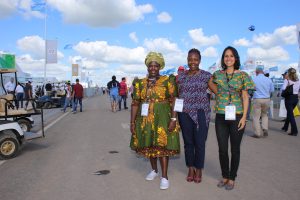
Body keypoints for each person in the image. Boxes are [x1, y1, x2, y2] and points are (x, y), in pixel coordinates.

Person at [130, 52, 180, 190]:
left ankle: (164, 176)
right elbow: (135, 103)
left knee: (162, 146)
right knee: (149, 144)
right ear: (147, 67)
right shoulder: (140, 83)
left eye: (155, 65)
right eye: (150, 65)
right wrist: (132, 122)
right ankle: (154, 170)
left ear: (160, 66)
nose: (153, 68)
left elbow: (175, 100)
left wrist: (173, 118)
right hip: (145, 119)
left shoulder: (167, 80)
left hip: (163, 117)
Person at [212, 46, 254, 190]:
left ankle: (232, 178)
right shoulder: (218, 74)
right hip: (221, 116)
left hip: (237, 116)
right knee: (222, 149)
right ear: (223, 59)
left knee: (235, 149)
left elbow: (245, 97)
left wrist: (244, 118)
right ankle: (224, 176)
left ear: (235, 58)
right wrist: (218, 93)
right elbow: (209, 82)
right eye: (225, 56)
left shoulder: (243, 75)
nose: (228, 58)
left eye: (231, 56)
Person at [177, 48, 216, 183]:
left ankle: (199, 168)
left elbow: (217, 91)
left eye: (195, 59)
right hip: (184, 113)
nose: (192, 62)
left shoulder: (206, 75)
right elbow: (177, 96)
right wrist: (174, 117)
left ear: (200, 60)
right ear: (187, 60)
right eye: (190, 59)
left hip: (201, 113)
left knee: (199, 143)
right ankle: (190, 167)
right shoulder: (181, 77)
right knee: (188, 143)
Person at [251, 65, 274, 138]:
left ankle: (257, 133)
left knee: (256, 117)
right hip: (267, 99)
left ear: (256, 72)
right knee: (264, 115)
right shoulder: (268, 79)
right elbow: (272, 91)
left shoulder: (254, 79)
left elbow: (251, 90)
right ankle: (265, 128)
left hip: (257, 99)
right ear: (263, 72)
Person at [281, 68, 300, 136]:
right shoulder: (298, 80)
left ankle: (294, 131)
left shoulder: (287, 80)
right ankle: (285, 127)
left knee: (290, 114)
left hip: (289, 98)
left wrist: (286, 82)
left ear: (288, 73)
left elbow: (283, 88)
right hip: (295, 98)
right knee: (290, 113)